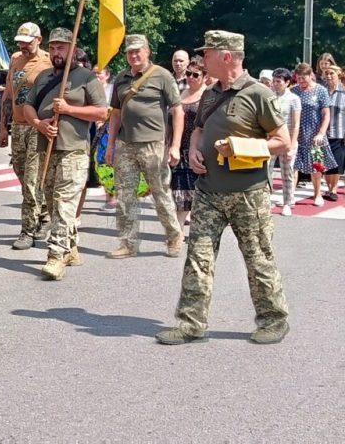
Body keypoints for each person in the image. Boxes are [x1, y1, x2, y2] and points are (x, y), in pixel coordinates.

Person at [157, 29, 291, 345]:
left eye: (207, 53)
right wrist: (193, 149)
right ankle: (191, 323)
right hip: (209, 191)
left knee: (258, 258)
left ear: (226, 56)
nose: (202, 59)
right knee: (197, 258)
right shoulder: (210, 93)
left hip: (249, 194)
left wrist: (242, 148)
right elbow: (199, 129)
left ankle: (274, 320)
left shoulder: (259, 94)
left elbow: (282, 142)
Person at [23, 28, 107, 280]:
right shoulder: (44, 76)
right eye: (53, 47)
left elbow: (102, 112)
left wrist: (69, 109)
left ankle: (55, 255)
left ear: (72, 48)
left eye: (62, 47)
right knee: (50, 199)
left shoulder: (86, 78)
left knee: (63, 202)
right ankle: (70, 247)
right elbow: (28, 105)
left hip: (74, 149)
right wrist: (39, 124)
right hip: (47, 146)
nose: (57, 52)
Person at [104, 34, 185, 258]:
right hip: (125, 144)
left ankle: (173, 236)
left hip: (153, 145)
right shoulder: (121, 78)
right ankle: (127, 243)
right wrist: (110, 145)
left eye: (138, 50)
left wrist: (175, 145)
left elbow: (177, 111)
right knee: (124, 196)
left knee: (160, 194)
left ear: (147, 51)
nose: (134, 55)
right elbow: (116, 113)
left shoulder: (162, 75)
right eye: (130, 51)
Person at [0, 21, 53, 250]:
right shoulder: (15, 60)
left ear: (38, 40)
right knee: (21, 175)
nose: (23, 47)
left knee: (31, 180)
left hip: (37, 126)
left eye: (27, 43)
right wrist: (3, 127)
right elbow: (9, 94)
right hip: (18, 126)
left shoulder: (48, 61)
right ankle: (44, 214)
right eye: (20, 42)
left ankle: (26, 231)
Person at [291, 62, 336, 207]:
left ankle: (317, 194)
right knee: (293, 166)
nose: (301, 82)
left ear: (311, 76)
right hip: (297, 133)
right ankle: (290, 196)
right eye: (298, 79)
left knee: (316, 166)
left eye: (303, 78)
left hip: (315, 134)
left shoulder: (321, 91)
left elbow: (326, 115)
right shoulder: (294, 91)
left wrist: (321, 133)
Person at [170, 60, 207, 230]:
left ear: (204, 76)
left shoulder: (208, 96)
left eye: (195, 75)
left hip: (200, 151)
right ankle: (178, 230)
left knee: (196, 192)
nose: (191, 78)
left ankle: (196, 228)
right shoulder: (181, 93)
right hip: (179, 148)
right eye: (188, 74)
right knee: (180, 190)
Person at [272, 68, 301, 216]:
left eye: (279, 81)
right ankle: (265, 200)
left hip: (288, 140)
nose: (275, 84)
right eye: (274, 81)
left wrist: (291, 146)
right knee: (266, 172)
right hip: (271, 139)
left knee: (287, 172)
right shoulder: (270, 97)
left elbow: (296, 124)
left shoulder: (294, 99)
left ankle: (287, 202)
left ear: (287, 82)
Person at [322, 64, 345, 201]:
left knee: (336, 162)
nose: (329, 76)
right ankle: (329, 188)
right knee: (326, 162)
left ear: (338, 75)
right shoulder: (322, 91)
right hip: (323, 133)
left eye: (332, 73)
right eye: (327, 74)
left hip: (339, 133)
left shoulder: (343, 92)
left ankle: (333, 189)